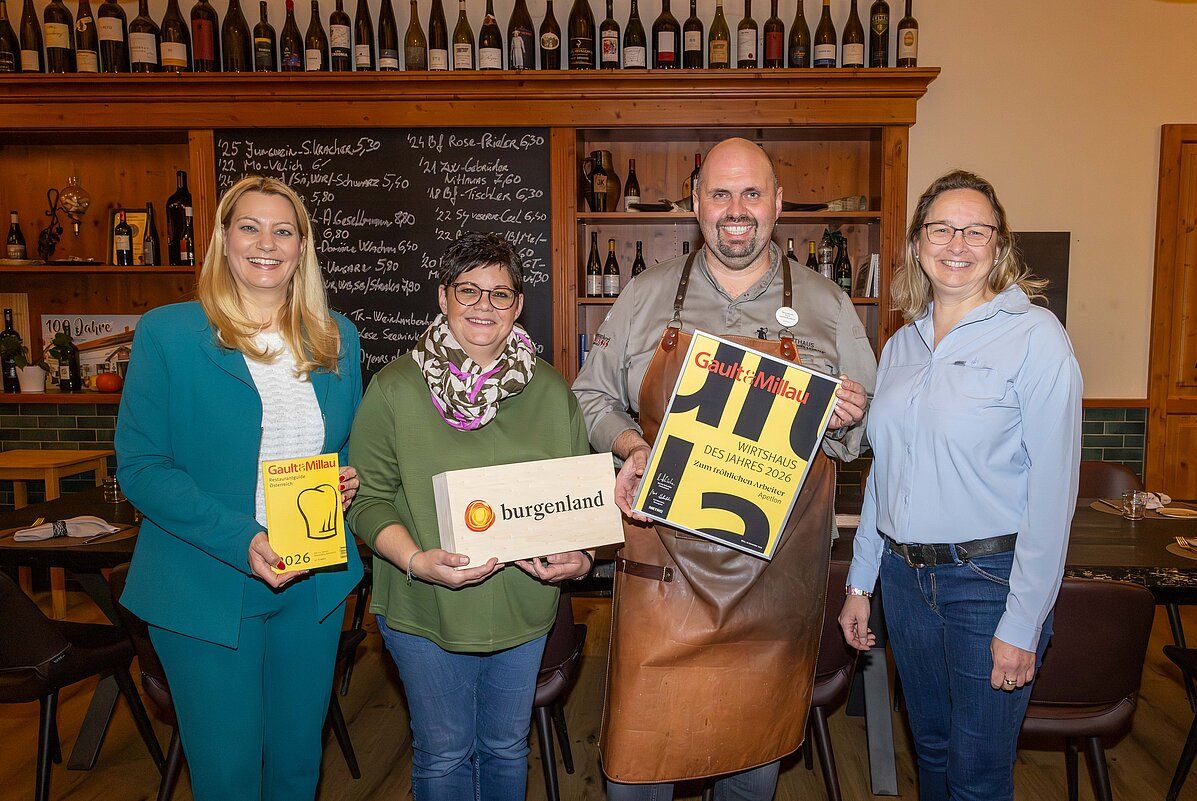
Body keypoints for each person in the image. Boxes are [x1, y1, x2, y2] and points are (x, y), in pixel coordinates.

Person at [573, 137, 875, 800]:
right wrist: (629, 446)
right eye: (720, 193)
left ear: (777, 203)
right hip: (662, 576)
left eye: (751, 193)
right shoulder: (646, 296)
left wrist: (852, 415)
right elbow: (588, 393)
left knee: (749, 773)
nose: (735, 209)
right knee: (635, 774)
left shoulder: (827, 304)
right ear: (695, 203)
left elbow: (872, 421)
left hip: (772, 586)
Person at [115, 175, 365, 801]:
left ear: (302, 248)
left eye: (284, 231)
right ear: (223, 240)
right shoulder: (168, 334)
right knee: (227, 778)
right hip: (204, 585)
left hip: (313, 585)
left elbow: (341, 447)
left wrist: (344, 478)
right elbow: (142, 467)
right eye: (249, 227)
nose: (266, 243)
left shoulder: (336, 335)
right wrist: (242, 538)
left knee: (295, 772)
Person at [840, 170, 1083, 801]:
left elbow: (1054, 499)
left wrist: (1023, 621)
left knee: (977, 777)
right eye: (942, 228)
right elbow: (881, 476)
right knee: (933, 754)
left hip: (989, 586)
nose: (958, 243)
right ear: (918, 243)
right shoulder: (898, 346)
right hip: (903, 580)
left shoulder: (1037, 340)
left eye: (976, 230)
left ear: (999, 246)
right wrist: (861, 582)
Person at [345, 231, 592, 801]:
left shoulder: (552, 392)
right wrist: (417, 561)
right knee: (445, 751)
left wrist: (580, 555)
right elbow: (368, 499)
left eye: (500, 294)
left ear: (518, 306)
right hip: (423, 604)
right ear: (443, 297)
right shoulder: (395, 389)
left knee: (507, 747)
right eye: (469, 291)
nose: (484, 305)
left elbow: (579, 499)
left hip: (523, 606)